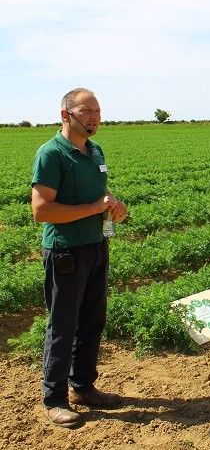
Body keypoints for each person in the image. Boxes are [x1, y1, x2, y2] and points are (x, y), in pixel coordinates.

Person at [31, 88, 128, 428]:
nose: (95, 117)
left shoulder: (94, 149)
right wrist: (91, 209)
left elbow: (100, 193)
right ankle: (54, 398)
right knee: (63, 325)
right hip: (65, 251)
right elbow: (41, 210)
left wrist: (114, 204)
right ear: (66, 115)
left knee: (91, 321)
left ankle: (83, 387)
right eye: (87, 111)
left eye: (98, 111)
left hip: (96, 245)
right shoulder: (51, 154)